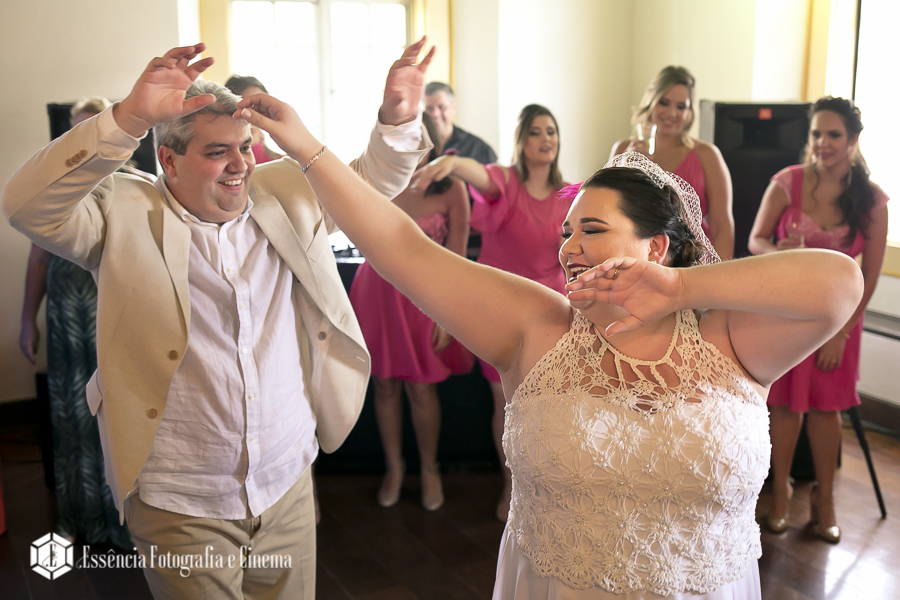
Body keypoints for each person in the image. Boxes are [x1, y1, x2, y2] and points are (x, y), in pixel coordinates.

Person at [235, 87, 863, 597]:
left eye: (590, 228)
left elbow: (840, 282)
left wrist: (677, 290)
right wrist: (306, 147)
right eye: (565, 232)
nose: (568, 248)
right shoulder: (539, 326)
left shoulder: (731, 339)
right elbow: (401, 247)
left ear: (656, 247)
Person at [3, 40, 433, 599]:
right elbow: (25, 205)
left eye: (247, 147)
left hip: (287, 485)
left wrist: (397, 121)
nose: (241, 165)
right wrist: (129, 115)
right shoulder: (121, 215)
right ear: (170, 159)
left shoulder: (285, 193)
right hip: (181, 500)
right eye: (217, 152)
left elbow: (370, 182)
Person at [411, 103, 572, 522]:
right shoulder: (507, 183)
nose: (546, 139)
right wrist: (449, 162)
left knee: (551, 412)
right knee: (508, 408)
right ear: (522, 140)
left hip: (555, 317)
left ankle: (546, 489)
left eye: (551, 131)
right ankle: (512, 488)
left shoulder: (570, 194)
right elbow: (477, 173)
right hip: (503, 316)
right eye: (536, 131)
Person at [748, 96, 889, 544]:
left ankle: (824, 501)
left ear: (853, 140)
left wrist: (841, 333)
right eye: (816, 134)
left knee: (827, 411)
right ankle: (782, 493)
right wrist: (778, 253)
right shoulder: (786, 183)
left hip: (839, 322)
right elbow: (755, 239)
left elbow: (869, 278)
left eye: (833, 135)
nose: (822, 143)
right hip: (786, 314)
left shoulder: (872, 200)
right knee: (785, 406)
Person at [17, 97, 134, 550]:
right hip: (69, 316)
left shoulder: (132, 185)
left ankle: (125, 521)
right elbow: (37, 259)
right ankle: (78, 516)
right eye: (79, 131)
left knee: (120, 412)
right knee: (73, 414)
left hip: (118, 315)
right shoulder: (53, 186)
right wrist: (27, 322)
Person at [349, 113, 472, 511]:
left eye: (417, 140)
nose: (410, 149)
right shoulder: (374, 183)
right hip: (377, 291)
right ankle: (394, 467)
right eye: (400, 141)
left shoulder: (452, 189)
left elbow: (459, 259)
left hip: (426, 296)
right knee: (383, 384)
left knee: (422, 387)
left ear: (431, 143)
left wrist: (447, 314)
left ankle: (430, 469)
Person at [610, 66, 735, 260]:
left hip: (692, 261)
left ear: (690, 111)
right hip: (637, 257)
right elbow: (608, 211)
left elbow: (722, 227)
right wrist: (626, 165)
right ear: (651, 102)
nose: (671, 112)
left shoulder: (707, 155)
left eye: (681, 106)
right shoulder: (624, 150)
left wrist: (721, 279)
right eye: (664, 102)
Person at [424, 81, 497, 164]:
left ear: (453, 107)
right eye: (429, 108)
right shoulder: (413, 147)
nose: (435, 114)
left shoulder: (479, 149)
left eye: (441, 107)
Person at [225, 74, 283, 164]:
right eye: (244, 106)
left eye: (258, 106)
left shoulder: (284, 164)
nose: (250, 114)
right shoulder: (219, 167)